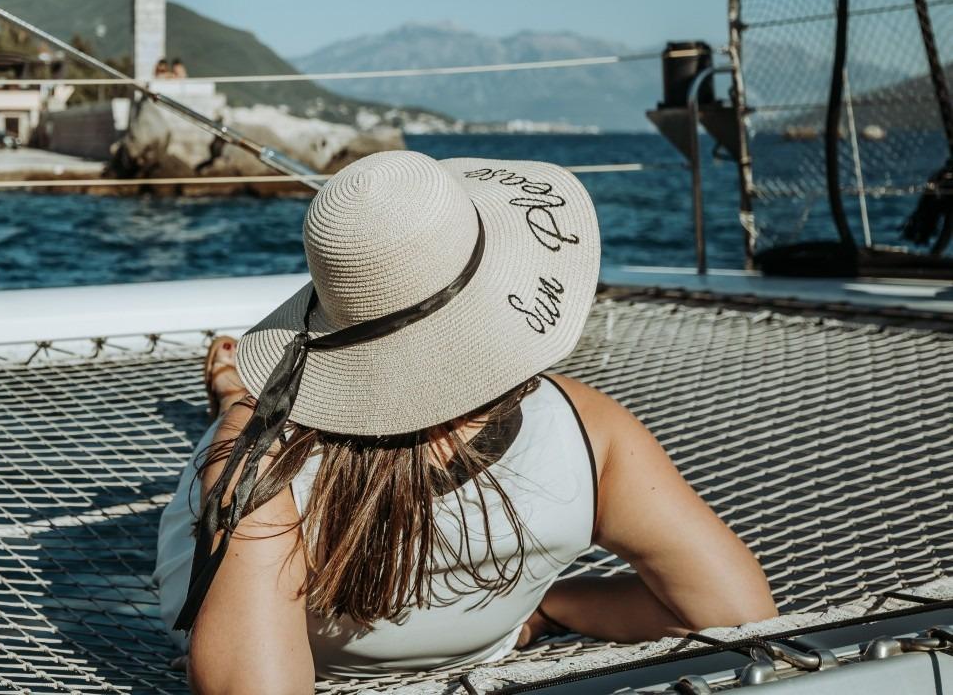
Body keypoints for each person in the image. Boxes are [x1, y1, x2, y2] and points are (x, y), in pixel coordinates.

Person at [155, 151, 774, 693]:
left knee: (248, 425)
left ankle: (236, 390)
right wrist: (549, 605)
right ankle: (233, 390)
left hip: (257, 518)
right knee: (246, 433)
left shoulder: (261, 457)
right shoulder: (589, 430)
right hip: (484, 638)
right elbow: (737, 618)